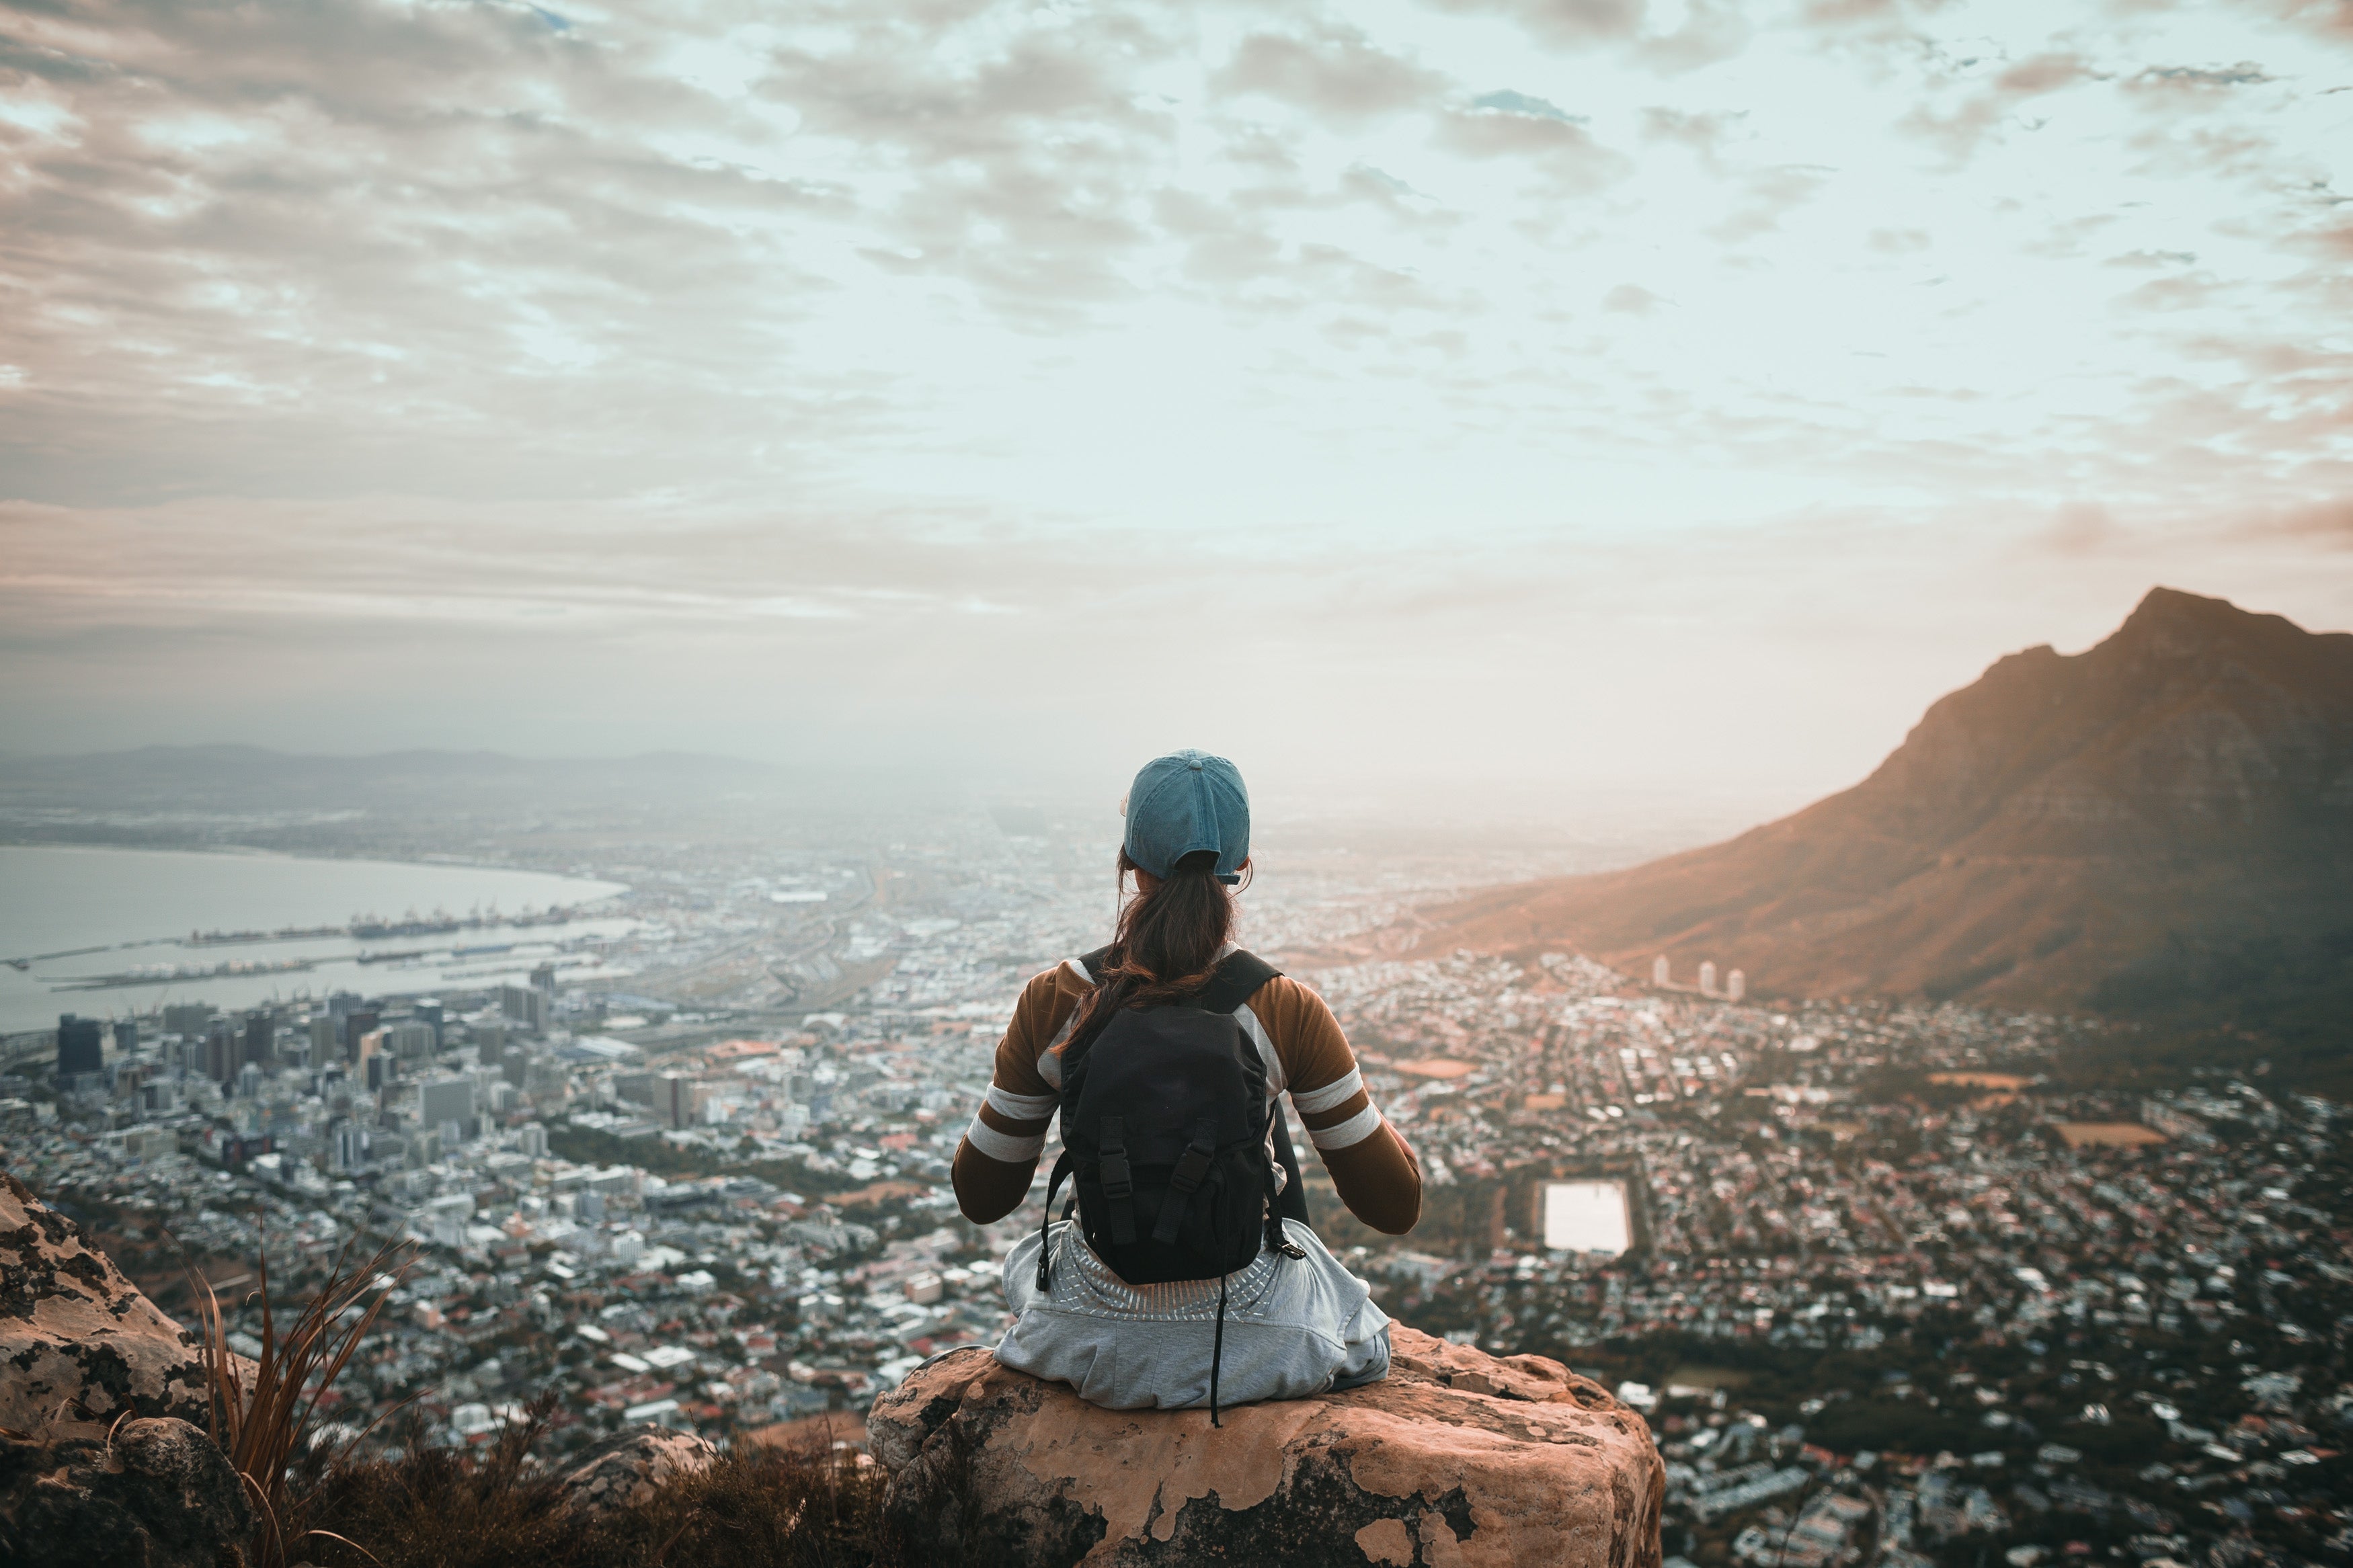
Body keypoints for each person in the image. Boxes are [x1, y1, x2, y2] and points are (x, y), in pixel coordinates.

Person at [953, 749, 1423, 1417]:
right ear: (1241, 868)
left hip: (1088, 1338)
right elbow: (1393, 1207)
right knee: (1260, 1109)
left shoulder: (1055, 999)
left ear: (1127, 862)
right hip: (1256, 1344)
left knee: (1033, 1258)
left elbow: (981, 1194)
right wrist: (1387, 1138)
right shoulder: (1282, 1007)